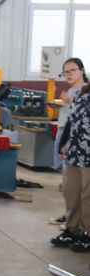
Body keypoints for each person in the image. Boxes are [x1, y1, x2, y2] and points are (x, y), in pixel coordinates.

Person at [49, 58, 87, 238]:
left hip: (80, 144)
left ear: (82, 71)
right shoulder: (73, 91)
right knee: (69, 186)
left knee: (83, 190)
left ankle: (82, 228)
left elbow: (82, 118)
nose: (69, 74)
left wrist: (69, 101)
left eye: (72, 70)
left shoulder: (84, 91)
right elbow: (71, 117)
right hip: (66, 136)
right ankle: (71, 221)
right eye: (66, 72)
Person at [53, 80, 90, 251]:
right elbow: (71, 120)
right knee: (71, 192)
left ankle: (87, 233)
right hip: (75, 153)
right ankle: (72, 230)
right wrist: (63, 142)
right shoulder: (83, 94)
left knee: (88, 195)